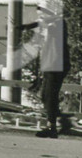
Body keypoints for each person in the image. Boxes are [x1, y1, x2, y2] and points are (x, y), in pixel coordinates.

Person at [21, 7, 70, 138]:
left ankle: (52, 126)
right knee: (46, 96)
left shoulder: (58, 23)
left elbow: (47, 23)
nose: (40, 18)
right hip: (50, 64)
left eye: (42, 14)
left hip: (56, 65)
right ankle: (58, 119)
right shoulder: (51, 25)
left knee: (50, 96)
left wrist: (30, 25)